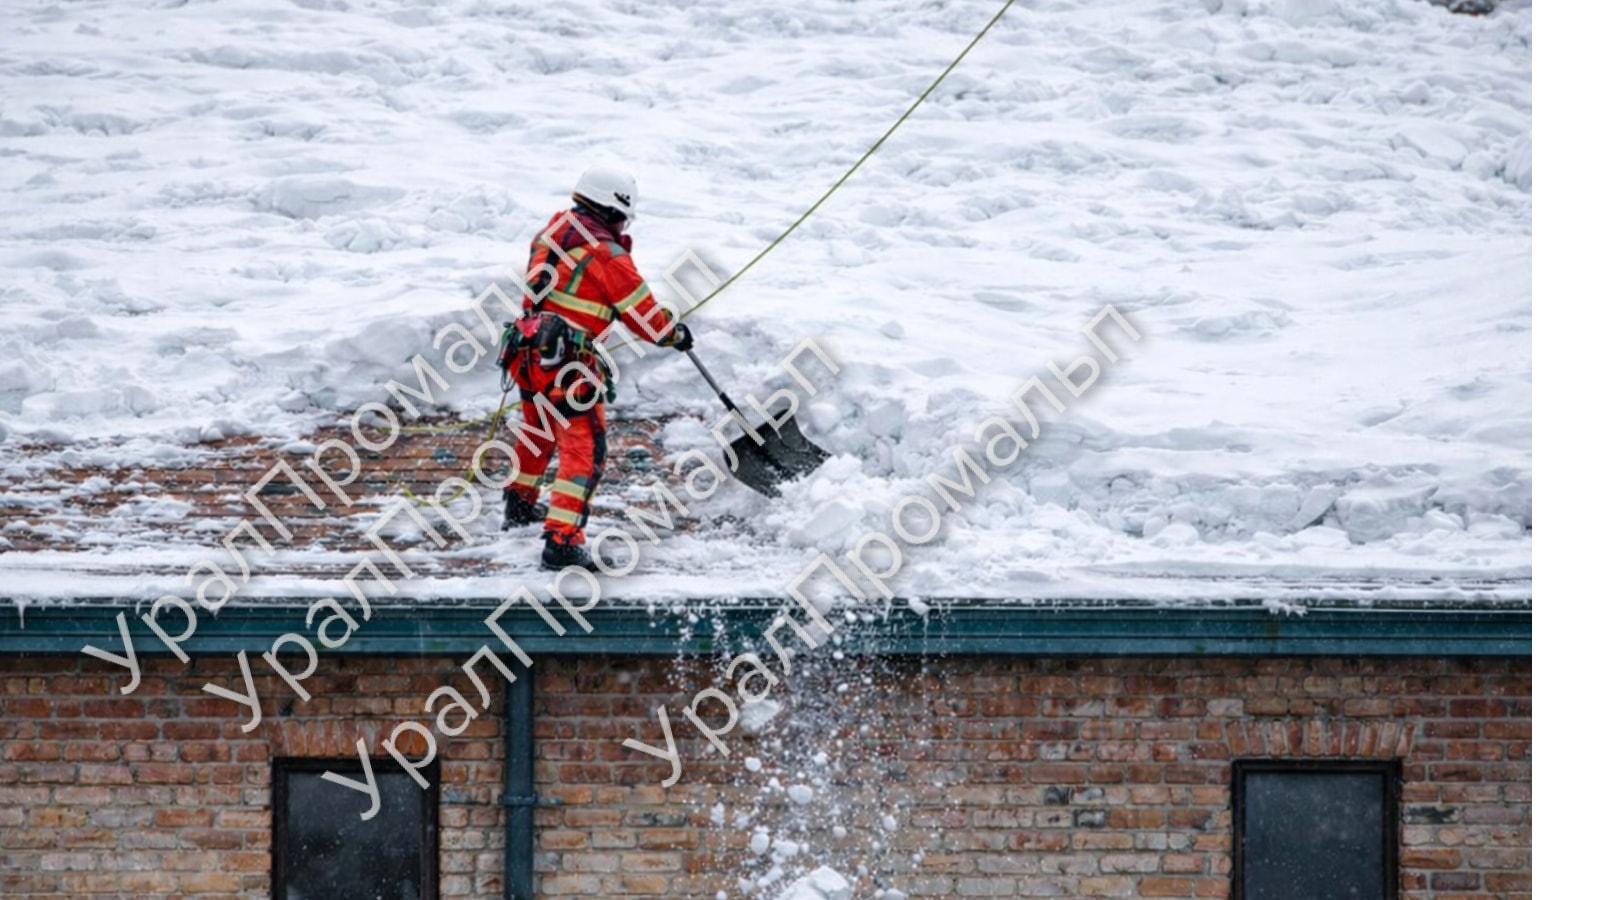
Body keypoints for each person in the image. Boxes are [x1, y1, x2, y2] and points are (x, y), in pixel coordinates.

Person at [499, 165, 692, 571]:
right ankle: (561, 542)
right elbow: (645, 319)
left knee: (537, 431)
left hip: (528, 352)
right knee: (584, 451)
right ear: (612, 209)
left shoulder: (551, 232)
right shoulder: (606, 253)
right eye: (624, 216)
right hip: (567, 364)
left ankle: (518, 506)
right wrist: (674, 334)